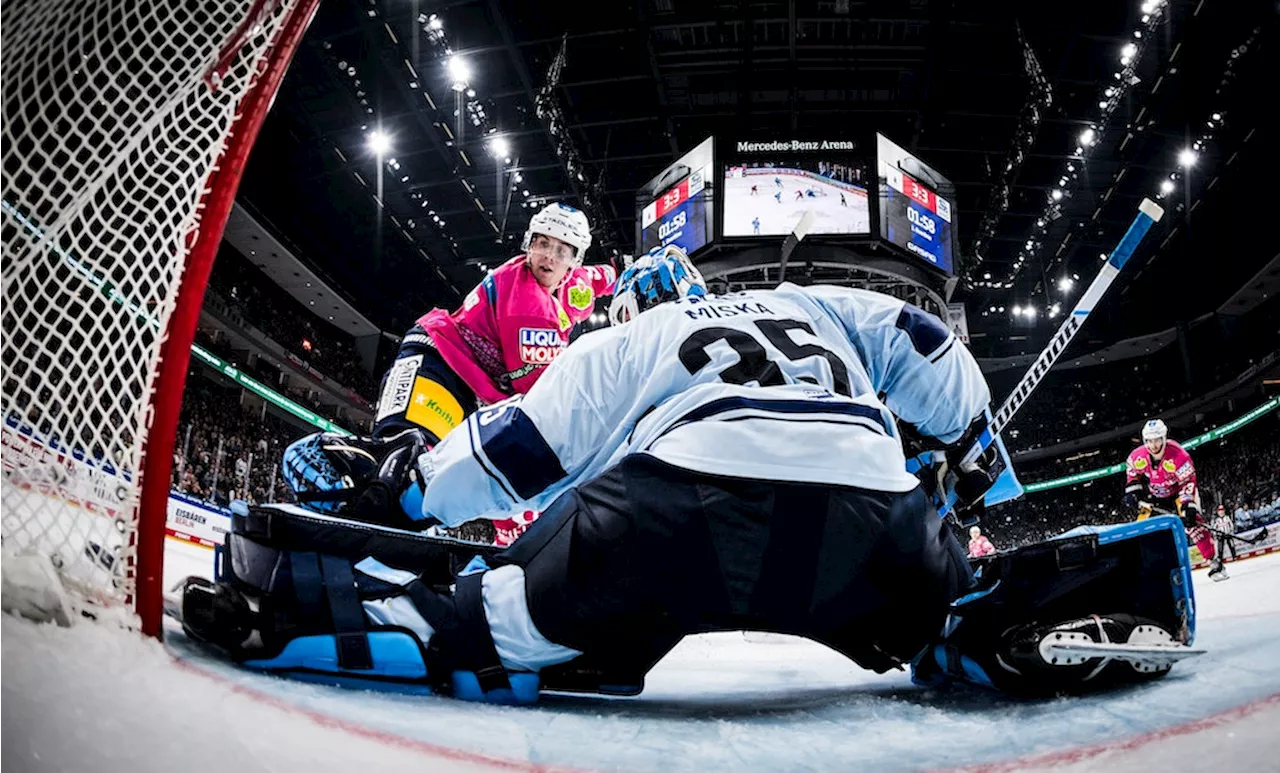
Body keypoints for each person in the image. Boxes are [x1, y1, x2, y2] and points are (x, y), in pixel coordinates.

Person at [185, 246, 1203, 705]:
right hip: (870, 518)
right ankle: (1032, 611)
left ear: (628, 300)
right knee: (943, 614)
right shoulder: (818, 304)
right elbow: (929, 348)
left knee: (480, 617)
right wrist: (976, 459)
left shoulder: (624, 341)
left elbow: (510, 458)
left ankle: (285, 596)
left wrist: (402, 487)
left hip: (665, 519)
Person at [280, 203, 616, 535]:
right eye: (543, 243)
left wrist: (621, 272)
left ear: (575, 261)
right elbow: (540, 402)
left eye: (561, 250)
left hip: (462, 380)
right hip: (436, 364)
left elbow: (599, 278)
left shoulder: (574, 284)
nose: (549, 257)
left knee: (425, 472)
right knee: (404, 459)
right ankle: (339, 498)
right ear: (529, 243)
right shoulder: (530, 310)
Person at [1123, 419, 1227, 580]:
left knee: (1194, 524)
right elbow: (1132, 472)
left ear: (1164, 438)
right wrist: (1133, 490)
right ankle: (1142, 569)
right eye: (1149, 441)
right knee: (1140, 527)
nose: (1154, 445)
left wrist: (1187, 505)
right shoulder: (1138, 456)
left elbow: (1188, 481)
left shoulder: (1179, 456)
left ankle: (1214, 563)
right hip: (1154, 496)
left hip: (1179, 493)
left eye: (1157, 440)